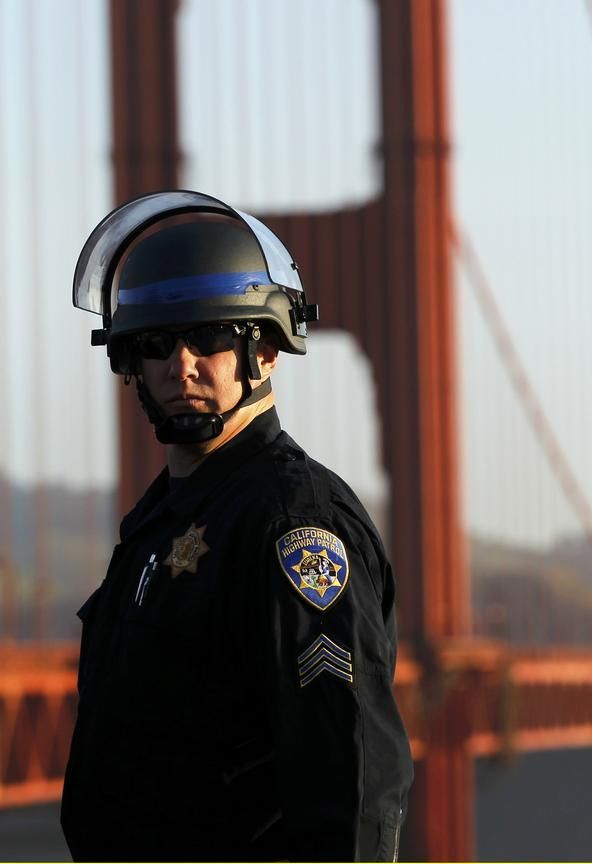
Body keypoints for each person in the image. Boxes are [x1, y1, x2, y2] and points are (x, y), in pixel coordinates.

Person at [61, 190, 413, 860]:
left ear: (269, 350)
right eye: (157, 342)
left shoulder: (296, 524)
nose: (181, 365)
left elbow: (353, 786)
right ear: (130, 360)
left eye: (212, 335)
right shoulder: (158, 524)